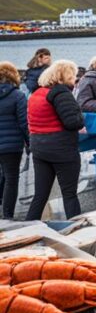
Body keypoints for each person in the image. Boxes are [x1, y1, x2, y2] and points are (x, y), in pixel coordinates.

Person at [26, 60, 84, 220]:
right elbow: (73, 122)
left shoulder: (36, 93)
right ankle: (77, 229)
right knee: (70, 194)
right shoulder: (61, 93)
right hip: (61, 149)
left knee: (40, 195)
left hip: (39, 148)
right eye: (73, 75)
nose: (75, 79)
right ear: (65, 76)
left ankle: (27, 228)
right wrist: (81, 116)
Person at [0, 63, 29, 219]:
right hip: (11, 145)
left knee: (2, 175)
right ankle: (8, 214)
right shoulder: (17, 95)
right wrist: (30, 143)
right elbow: (24, 123)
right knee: (11, 177)